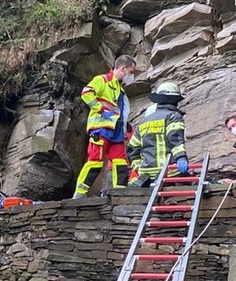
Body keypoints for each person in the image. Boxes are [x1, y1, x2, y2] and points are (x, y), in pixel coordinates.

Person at [73, 54, 136, 197]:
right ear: (123, 68)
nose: (131, 76)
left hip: (117, 132)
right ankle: (80, 193)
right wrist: (101, 110)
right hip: (101, 130)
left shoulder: (120, 89)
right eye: (131, 72)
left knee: (120, 162)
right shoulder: (102, 80)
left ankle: (119, 192)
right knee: (95, 160)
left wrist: (125, 126)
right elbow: (86, 93)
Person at [128, 81, 189, 188]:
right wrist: (181, 158)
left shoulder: (143, 121)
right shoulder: (173, 116)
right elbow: (175, 140)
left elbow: (132, 150)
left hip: (147, 174)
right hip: (169, 172)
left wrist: (139, 168)